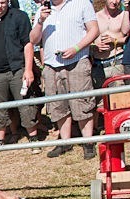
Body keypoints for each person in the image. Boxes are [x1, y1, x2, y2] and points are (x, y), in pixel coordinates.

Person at [30, 0, 99, 159]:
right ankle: (65, 142)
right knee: (57, 105)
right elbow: (33, 40)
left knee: (82, 102)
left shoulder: (81, 3)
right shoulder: (43, 9)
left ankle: (88, 142)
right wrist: (40, 21)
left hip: (77, 61)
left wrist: (76, 48)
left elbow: (94, 30)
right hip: (51, 65)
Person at [0, 0, 41, 157]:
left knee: (26, 106)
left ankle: (34, 138)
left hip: (18, 69)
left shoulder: (19, 17)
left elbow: (28, 44)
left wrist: (28, 69)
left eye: (3, 2)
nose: (0, 6)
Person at [92, 0, 130, 88]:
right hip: (98, 64)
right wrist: (95, 45)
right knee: (100, 100)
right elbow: (86, 37)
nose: (114, 1)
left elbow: (128, 36)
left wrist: (114, 40)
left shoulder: (123, 15)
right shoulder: (95, 16)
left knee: (118, 99)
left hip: (117, 62)